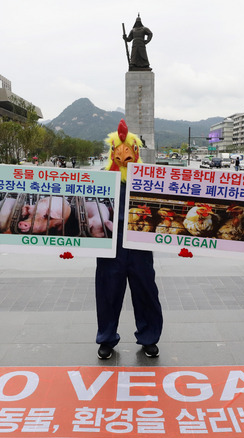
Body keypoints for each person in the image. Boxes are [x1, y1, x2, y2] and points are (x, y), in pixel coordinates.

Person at [95, 119, 163, 360]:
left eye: (129, 150)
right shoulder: (100, 178)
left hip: (140, 243)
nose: (123, 156)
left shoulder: (149, 179)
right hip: (110, 244)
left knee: (146, 291)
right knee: (107, 292)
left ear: (136, 152)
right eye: (118, 149)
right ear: (111, 152)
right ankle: (106, 338)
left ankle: (149, 337)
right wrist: (73, 246)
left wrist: (183, 245)